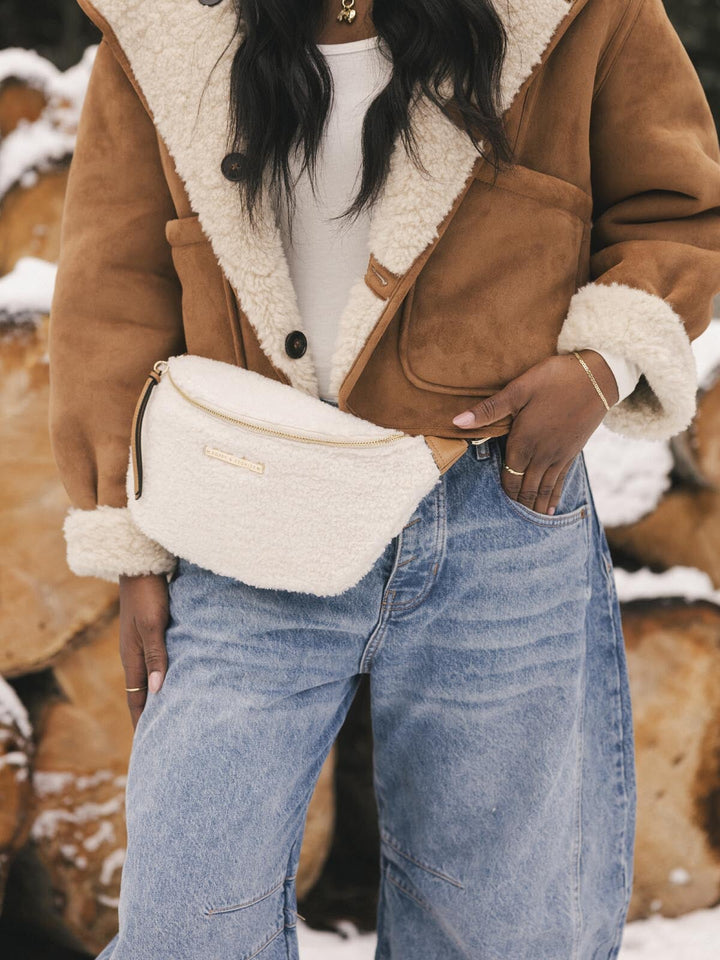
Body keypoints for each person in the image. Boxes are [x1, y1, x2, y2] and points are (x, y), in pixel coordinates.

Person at [48, 0, 720, 957]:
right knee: (186, 923)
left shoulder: (575, 9)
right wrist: (129, 539)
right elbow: (111, 291)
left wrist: (601, 366)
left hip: (499, 508)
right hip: (247, 523)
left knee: (499, 924)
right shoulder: (167, 25)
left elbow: (679, 205)